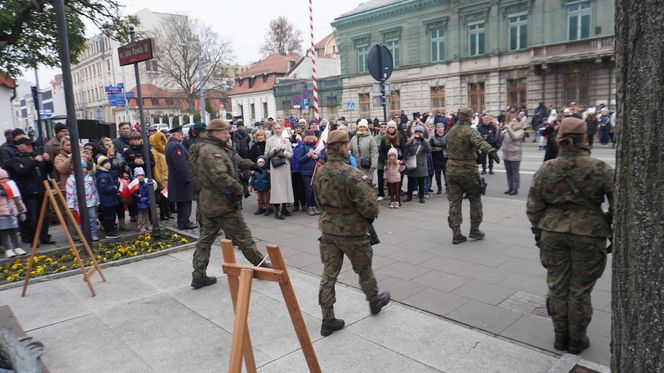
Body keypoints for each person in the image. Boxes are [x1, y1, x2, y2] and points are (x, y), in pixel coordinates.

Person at [526, 117, 613, 355]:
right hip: (589, 235)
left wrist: (539, 234)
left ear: (559, 138)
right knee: (580, 290)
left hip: (553, 233)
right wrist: (608, 228)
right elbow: (619, 207)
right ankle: (577, 339)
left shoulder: (547, 168)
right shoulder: (600, 168)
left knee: (557, 286)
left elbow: (533, 207)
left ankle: (560, 336)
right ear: (585, 137)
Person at [312, 130, 390, 337]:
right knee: (364, 270)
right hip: (353, 232)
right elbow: (370, 208)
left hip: (328, 230)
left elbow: (318, 200)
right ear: (343, 147)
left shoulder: (319, 172)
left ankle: (327, 319)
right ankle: (374, 301)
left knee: (329, 274)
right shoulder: (352, 173)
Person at [189, 119, 268, 289]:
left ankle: (199, 275)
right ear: (215, 132)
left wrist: (253, 166)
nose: (228, 133)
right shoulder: (210, 151)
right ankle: (261, 266)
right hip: (222, 203)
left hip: (210, 203)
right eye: (225, 131)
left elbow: (235, 159)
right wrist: (239, 189)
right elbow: (220, 177)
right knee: (243, 236)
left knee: (206, 239)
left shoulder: (217, 147)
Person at [446, 107, 500, 244]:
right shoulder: (469, 131)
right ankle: (474, 230)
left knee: (454, 203)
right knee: (475, 200)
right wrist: (491, 151)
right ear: (468, 117)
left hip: (452, 171)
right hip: (468, 171)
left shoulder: (451, 131)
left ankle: (456, 233)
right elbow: (480, 142)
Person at [4, 138, 54, 245]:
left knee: (44, 216)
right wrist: (35, 162)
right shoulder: (16, 159)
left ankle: (44, 236)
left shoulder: (36, 155)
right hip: (29, 192)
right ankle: (33, 239)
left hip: (42, 189)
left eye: (31, 144)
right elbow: (21, 171)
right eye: (26, 144)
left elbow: (48, 169)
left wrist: (47, 160)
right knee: (32, 217)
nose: (30, 146)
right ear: (19, 146)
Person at [166, 126, 196, 229]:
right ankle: (184, 222)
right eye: (180, 134)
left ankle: (182, 221)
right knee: (186, 201)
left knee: (181, 202)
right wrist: (188, 178)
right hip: (181, 179)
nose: (182, 136)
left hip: (176, 178)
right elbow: (181, 165)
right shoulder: (176, 146)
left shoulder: (171, 144)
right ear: (175, 135)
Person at [265, 122, 295, 220]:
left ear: (282, 129)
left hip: (285, 166)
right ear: (273, 129)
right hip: (275, 166)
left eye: (279, 128)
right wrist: (273, 150)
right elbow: (266, 154)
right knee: (277, 188)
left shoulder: (286, 140)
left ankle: (285, 209)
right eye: (276, 128)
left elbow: (291, 154)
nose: (277, 130)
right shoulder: (269, 140)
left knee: (285, 186)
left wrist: (284, 152)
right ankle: (277, 211)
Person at [65, 160, 100, 241]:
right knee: (81, 220)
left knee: (92, 218)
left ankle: (93, 233)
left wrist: (97, 200)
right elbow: (69, 194)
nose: (83, 169)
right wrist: (70, 205)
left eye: (84, 168)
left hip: (90, 202)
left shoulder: (89, 178)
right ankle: (83, 235)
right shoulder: (71, 180)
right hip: (78, 204)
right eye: (81, 168)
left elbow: (94, 189)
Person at [0, 168, 27, 258]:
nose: (4, 180)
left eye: (6, 178)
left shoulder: (11, 187)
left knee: (13, 231)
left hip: (12, 213)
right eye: (1, 179)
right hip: (2, 214)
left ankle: (17, 247)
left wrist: (21, 211)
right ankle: (8, 248)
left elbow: (17, 199)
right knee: (4, 231)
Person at [95, 156, 122, 239]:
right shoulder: (103, 176)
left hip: (111, 199)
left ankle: (112, 229)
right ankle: (109, 232)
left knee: (112, 215)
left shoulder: (107, 173)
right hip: (107, 200)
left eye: (109, 162)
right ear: (102, 165)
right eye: (106, 163)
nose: (109, 164)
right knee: (108, 216)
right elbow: (104, 188)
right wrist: (114, 188)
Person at [404, 125, 431, 203]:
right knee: (410, 181)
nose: (418, 134)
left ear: (423, 133)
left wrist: (423, 140)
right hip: (412, 163)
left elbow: (429, 150)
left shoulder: (425, 141)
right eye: (417, 132)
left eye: (420, 132)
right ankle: (409, 196)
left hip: (421, 164)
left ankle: (421, 197)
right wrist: (410, 140)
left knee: (421, 182)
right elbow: (406, 147)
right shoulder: (412, 141)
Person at [499, 117, 525, 195]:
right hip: (506, 154)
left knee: (515, 172)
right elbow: (500, 137)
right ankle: (510, 187)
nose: (513, 122)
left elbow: (515, 137)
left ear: (519, 122)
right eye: (512, 120)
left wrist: (508, 128)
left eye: (515, 121)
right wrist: (499, 129)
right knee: (508, 172)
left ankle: (515, 188)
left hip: (515, 154)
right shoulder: (508, 129)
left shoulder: (521, 131)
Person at [297, 130, 320, 216]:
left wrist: (317, 157)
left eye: (312, 135)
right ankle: (309, 206)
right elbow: (300, 160)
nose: (310, 137)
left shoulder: (317, 146)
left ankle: (314, 206)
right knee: (308, 190)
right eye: (308, 135)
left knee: (314, 190)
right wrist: (308, 155)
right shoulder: (303, 147)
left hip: (315, 171)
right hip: (306, 172)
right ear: (306, 137)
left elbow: (322, 158)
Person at [149, 131, 170, 221]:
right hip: (161, 178)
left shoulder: (163, 150)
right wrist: (158, 179)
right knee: (163, 197)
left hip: (167, 176)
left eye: (163, 140)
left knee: (167, 196)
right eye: (160, 140)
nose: (162, 142)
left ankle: (167, 212)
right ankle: (163, 213)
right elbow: (155, 167)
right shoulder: (154, 151)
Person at [131, 167, 151, 233]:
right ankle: (141, 226)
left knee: (146, 214)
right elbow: (133, 193)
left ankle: (147, 224)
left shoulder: (145, 183)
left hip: (146, 200)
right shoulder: (135, 184)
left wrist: (148, 198)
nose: (141, 177)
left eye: (142, 175)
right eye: (138, 175)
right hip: (139, 201)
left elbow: (148, 191)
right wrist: (137, 196)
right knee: (140, 214)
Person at [430, 123, 448, 194]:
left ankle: (447, 187)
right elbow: (429, 148)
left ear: (444, 128)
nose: (440, 129)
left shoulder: (447, 136)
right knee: (437, 174)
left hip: (445, 157)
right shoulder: (433, 137)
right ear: (436, 129)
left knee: (446, 173)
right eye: (439, 127)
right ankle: (439, 188)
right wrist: (435, 149)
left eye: (441, 127)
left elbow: (450, 146)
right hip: (436, 157)